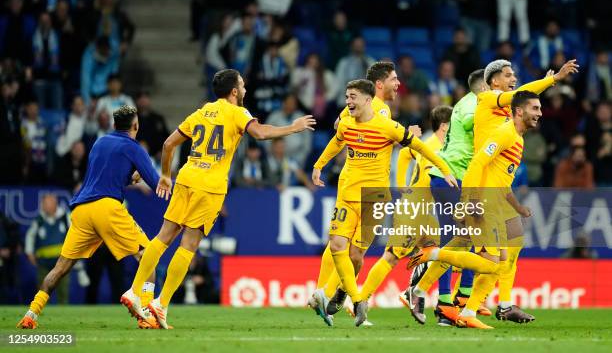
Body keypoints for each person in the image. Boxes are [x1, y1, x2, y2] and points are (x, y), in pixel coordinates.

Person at [120, 69, 315, 329]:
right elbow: (260, 134)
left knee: (162, 237)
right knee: (188, 245)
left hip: (187, 177)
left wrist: (165, 175)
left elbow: (168, 145)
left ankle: (134, 292)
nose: (245, 90)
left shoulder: (202, 111)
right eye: (243, 86)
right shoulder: (237, 112)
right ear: (234, 91)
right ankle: (161, 304)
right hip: (210, 185)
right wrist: (293, 127)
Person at [406, 57, 579, 326]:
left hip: (496, 188)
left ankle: (424, 291)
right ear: (493, 81)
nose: (513, 78)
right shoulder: (488, 100)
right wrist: (553, 79)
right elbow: (521, 97)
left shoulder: (511, 125)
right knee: (486, 257)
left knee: (499, 243)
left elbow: (523, 98)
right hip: (482, 188)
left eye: (514, 74)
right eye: (508, 74)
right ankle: (468, 304)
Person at [310, 79, 457, 327]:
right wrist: (318, 165)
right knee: (337, 246)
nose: (348, 102)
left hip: (375, 200)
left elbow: (419, 147)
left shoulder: (388, 126)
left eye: (353, 97)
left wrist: (444, 169)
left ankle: (345, 294)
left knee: (357, 256)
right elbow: (337, 142)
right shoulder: (346, 123)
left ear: (368, 100)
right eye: (347, 97)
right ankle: (357, 300)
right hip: (347, 196)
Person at [17, 105, 162, 330]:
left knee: (60, 267)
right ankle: (145, 314)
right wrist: (160, 178)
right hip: (107, 207)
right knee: (148, 255)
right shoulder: (134, 147)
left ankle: (31, 314)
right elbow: (155, 183)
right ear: (136, 125)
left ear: (115, 125)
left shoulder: (99, 142)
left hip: (82, 209)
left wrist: (128, 177)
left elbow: (102, 177)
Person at [406, 91, 543, 329]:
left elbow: (503, 180)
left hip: (496, 203)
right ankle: (432, 255)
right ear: (519, 111)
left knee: (484, 253)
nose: (539, 113)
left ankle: (458, 306)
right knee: (492, 264)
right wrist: (468, 199)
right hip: (483, 203)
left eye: (540, 109)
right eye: (535, 108)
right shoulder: (504, 133)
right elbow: (478, 162)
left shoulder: (517, 139)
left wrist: (517, 207)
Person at [406, 70, 490, 326]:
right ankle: (455, 299)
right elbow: (472, 125)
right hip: (451, 178)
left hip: (451, 179)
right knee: (471, 235)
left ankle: (445, 304)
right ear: (485, 86)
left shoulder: (474, 104)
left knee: (460, 239)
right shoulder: (471, 105)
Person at [358, 105, 452, 304]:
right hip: (414, 210)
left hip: (423, 210)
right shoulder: (435, 148)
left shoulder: (429, 143)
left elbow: (404, 154)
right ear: (445, 126)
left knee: (439, 251)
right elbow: (432, 180)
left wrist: (402, 182)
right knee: (391, 256)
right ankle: (360, 299)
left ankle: (412, 291)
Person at [24, 194, 89, 305]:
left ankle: (63, 313)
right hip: (43, 263)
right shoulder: (39, 220)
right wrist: (29, 252)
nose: (46, 206)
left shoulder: (65, 218)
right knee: (42, 290)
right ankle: (40, 311)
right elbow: (30, 236)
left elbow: (77, 236)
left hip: (62, 263)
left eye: (48, 204)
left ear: (55, 204)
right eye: (44, 204)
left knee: (63, 291)